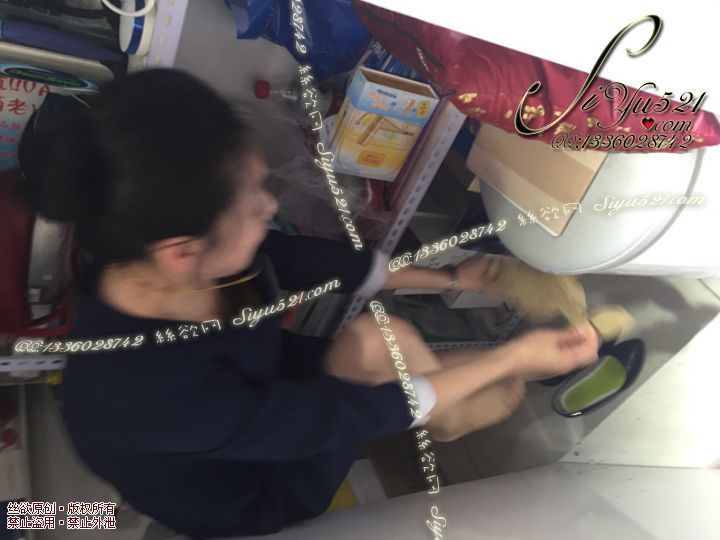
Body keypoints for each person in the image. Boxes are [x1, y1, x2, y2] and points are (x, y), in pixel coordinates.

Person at [21, 69, 600, 539]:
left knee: (387, 342)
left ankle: (458, 397)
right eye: (254, 201)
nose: (270, 207)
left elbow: (300, 261)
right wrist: (510, 357)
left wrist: (452, 278)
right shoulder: (149, 395)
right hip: (257, 485)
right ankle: (450, 417)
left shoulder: (164, 256)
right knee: (389, 351)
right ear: (181, 252)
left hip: (251, 394)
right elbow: (328, 417)